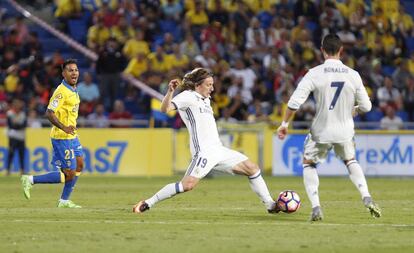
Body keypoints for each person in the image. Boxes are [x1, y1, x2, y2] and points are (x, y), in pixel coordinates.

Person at [133, 68, 278, 214]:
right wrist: (170, 92)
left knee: (252, 168)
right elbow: (165, 109)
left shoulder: (206, 100)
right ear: (197, 85)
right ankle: (148, 202)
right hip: (204, 152)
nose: (212, 88)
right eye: (209, 84)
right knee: (187, 185)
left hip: (219, 150)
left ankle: (271, 205)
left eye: (212, 84)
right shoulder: (188, 96)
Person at [276, 34, 381, 221]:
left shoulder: (314, 73)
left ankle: (316, 207)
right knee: (350, 161)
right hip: (345, 130)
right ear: (341, 50)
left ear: (322, 50)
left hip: (322, 130)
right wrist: (352, 111)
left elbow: (294, 103)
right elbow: (367, 107)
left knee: (309, 164)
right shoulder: (353, 74)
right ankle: (366, 196)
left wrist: (284, 124)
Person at [21, 59, 84, 208]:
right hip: (62, 137)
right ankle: (30, 180)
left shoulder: (73, 89)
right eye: (70, 70)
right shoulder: (61, 92)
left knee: (79, 165)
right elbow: (49, 113)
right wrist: (64, 127)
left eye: (76, 70)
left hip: (72, 136)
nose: (74, 72)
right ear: (63, 73)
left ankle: (64, 201)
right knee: (67, 174)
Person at [6, 99, 27, 175]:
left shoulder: (22, 114)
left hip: (21, 137)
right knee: (11, 153)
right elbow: (10, 125)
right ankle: (8, 170)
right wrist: (18, 125)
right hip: (13, 137)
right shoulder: (10, 114)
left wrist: (16, 125)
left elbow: (24, 125)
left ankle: (22, 170)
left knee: (21, 154)